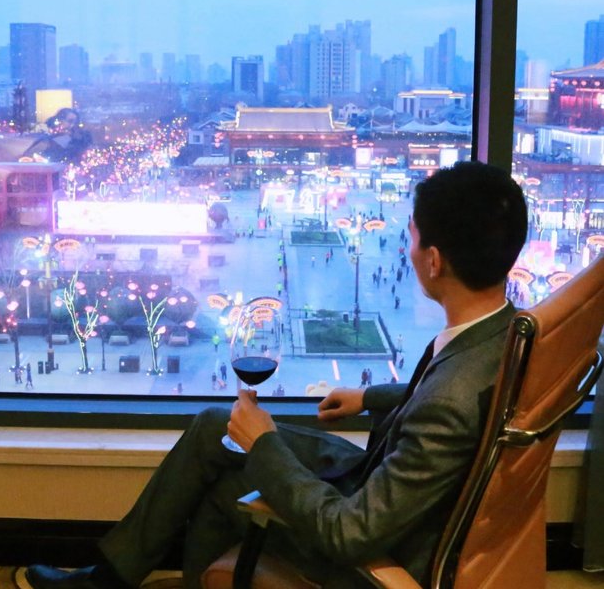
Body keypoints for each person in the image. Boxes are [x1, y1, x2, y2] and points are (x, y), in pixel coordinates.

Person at [26, 161, 528, 589]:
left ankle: (122, 580)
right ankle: (110, 579)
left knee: (223, 491)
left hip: (374, 541)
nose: (408, 248)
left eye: (412, 237)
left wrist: (264, 442)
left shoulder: (449, 400)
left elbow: (350, 533)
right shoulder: (504, 333)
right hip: (393, 483)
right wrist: (371, 396)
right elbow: (446, 397)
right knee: (213, 427)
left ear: (434, 261)